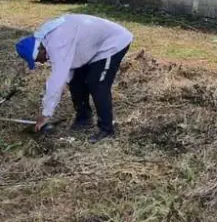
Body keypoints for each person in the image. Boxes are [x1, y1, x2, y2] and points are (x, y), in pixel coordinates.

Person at [15, 14, 133, 143]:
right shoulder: (45, 39)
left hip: (113, 42)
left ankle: (106, 129)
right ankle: (84, 118)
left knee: (97, 83)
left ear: (39, 49)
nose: (42, 62)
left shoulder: (57, 43)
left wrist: (46, 114)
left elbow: (56, 80)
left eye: (38, 59)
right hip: (90, 45)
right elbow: (65, 71)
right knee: (75, 80)